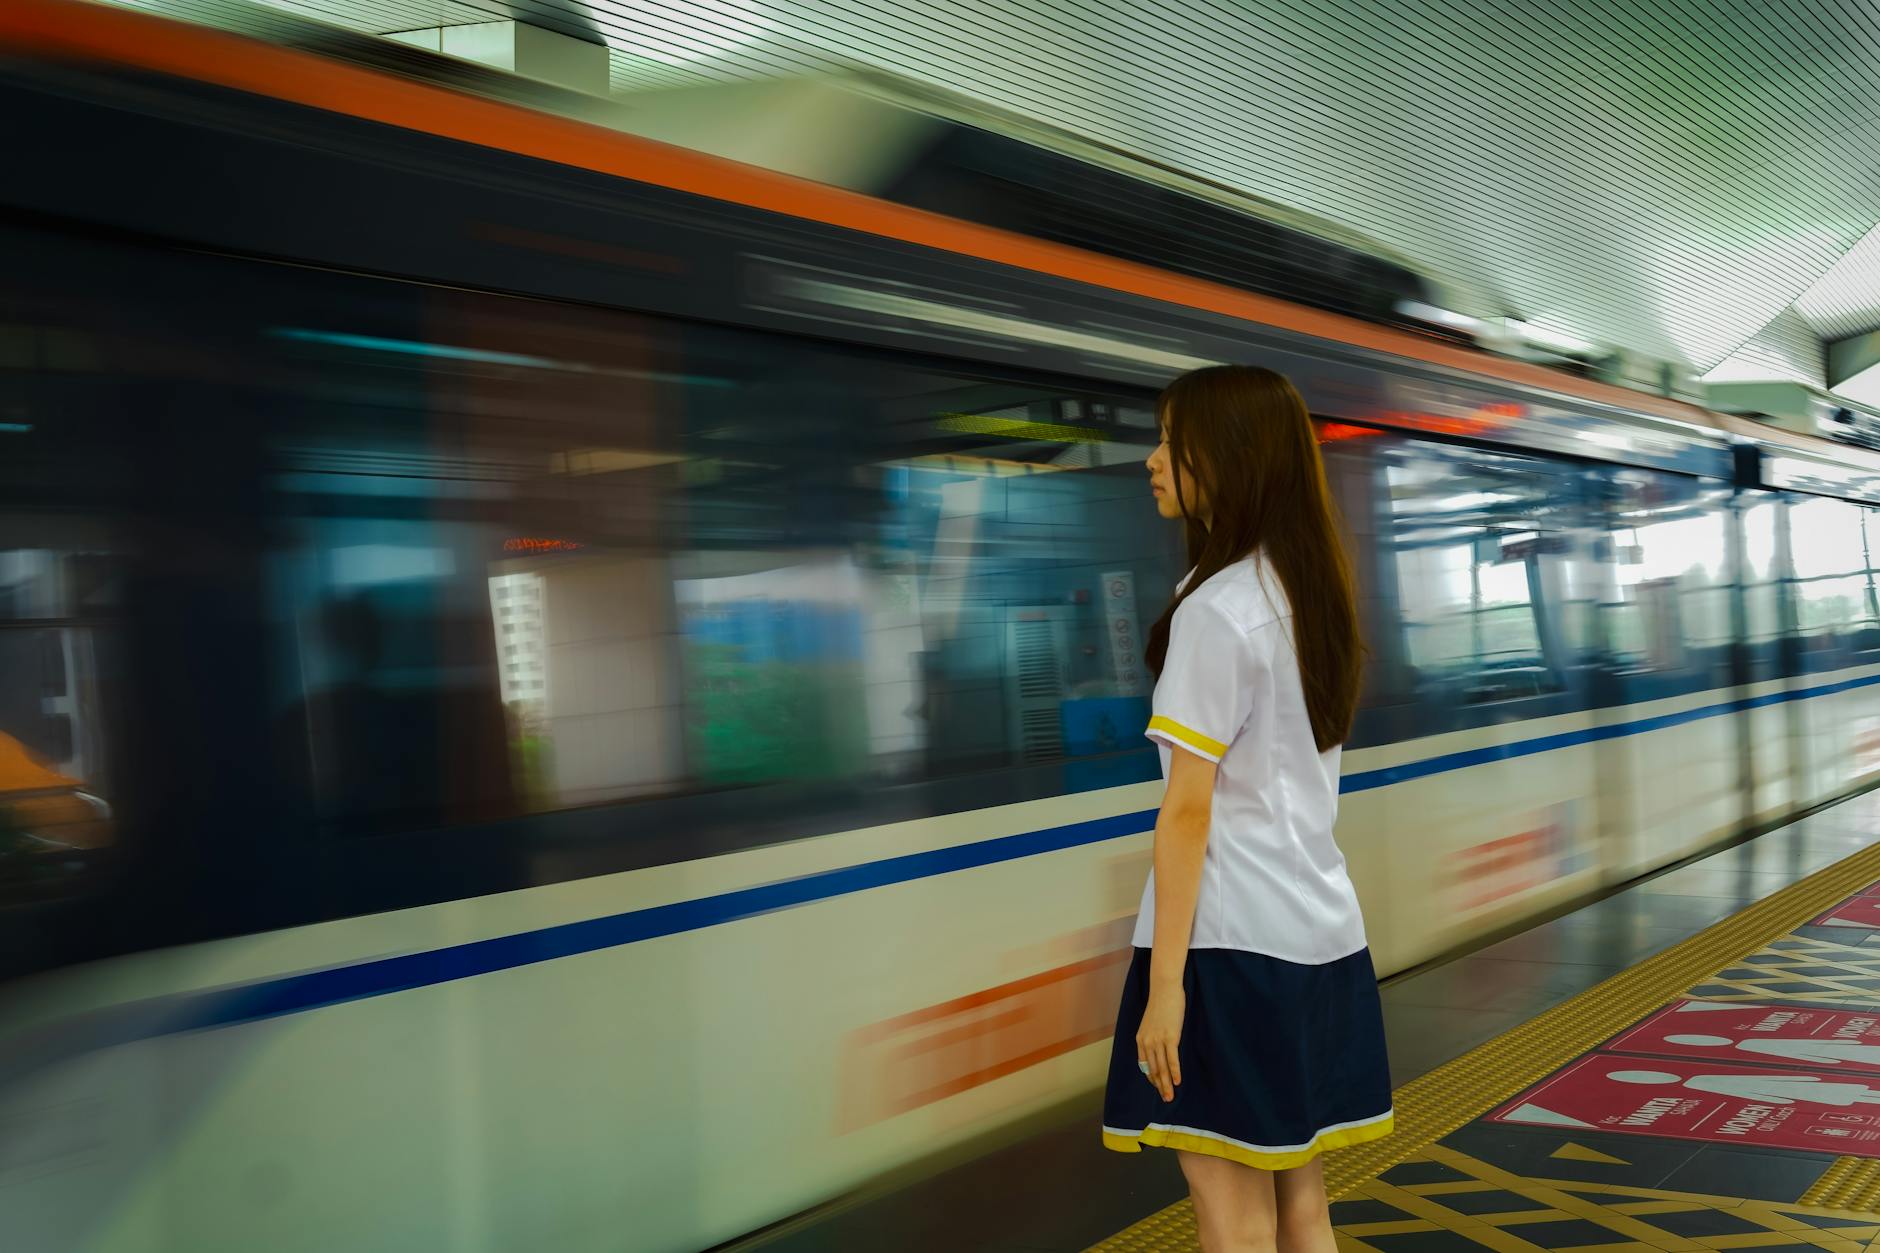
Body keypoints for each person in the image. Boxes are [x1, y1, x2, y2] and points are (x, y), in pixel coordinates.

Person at [1101, 365, 1393, 1253]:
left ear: (1224, 458)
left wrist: (1164, 992)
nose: (1151, 461)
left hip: (1227, 953)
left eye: (1168, 440)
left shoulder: (1218, 610)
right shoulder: (1306, 595)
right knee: (1302, 1199)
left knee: (1228, 1208)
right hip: (1319, 933)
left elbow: (1187, 813)